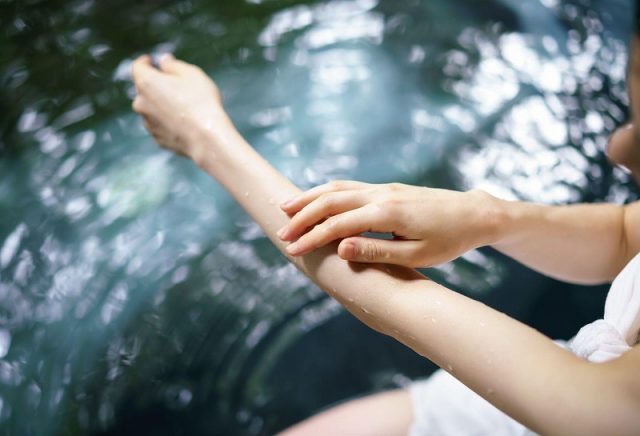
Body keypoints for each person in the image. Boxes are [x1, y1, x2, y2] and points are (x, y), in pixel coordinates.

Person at [130, 5, 640, 434]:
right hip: (566, 377)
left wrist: (205, 138)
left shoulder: (600, 408)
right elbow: (624, 236)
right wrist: (486, 217)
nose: (618, 148)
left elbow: (590, 409)